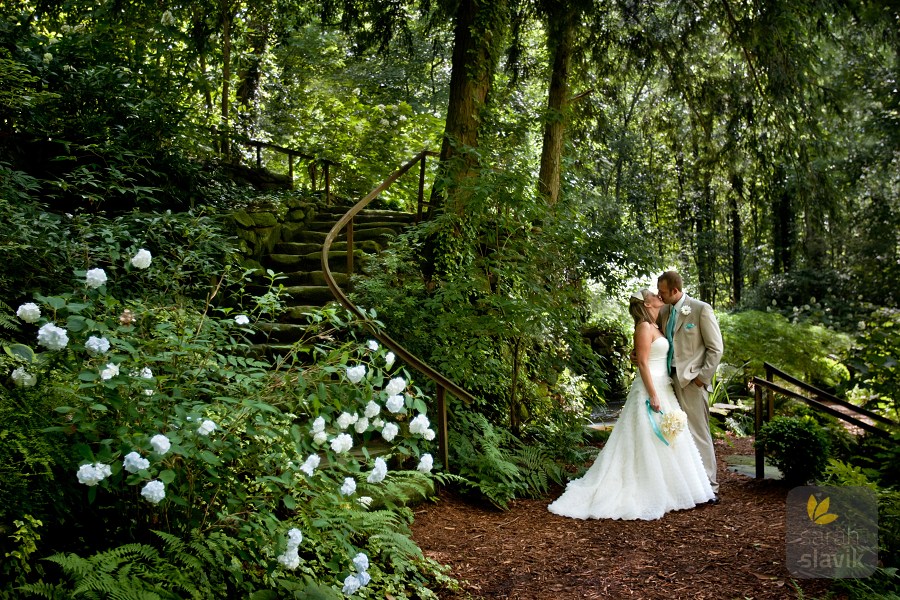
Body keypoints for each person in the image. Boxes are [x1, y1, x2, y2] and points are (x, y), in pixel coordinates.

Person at [547, 289, 714, 521]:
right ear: (647, 302)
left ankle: (672, 488)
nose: (659, 295)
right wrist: (653, 394)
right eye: (654, 294)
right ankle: (645, 488)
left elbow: (648, 353)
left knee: (666, 438)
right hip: (650, 388)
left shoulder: (657, 323)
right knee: (645, 437)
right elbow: (643, 364)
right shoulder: (644, 327)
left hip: (665, 385)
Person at [657, 271, 723, 501]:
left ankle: (710, 487)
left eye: (663, 292)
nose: (659, 295)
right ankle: (686, 485)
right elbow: (656, 340)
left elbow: (716, 349)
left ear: (675, 290)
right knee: (674, 432)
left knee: (698, 432)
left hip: (692, 381)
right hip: (667, 381)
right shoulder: (663, 311)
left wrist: (701, 378)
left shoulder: (700, 309)